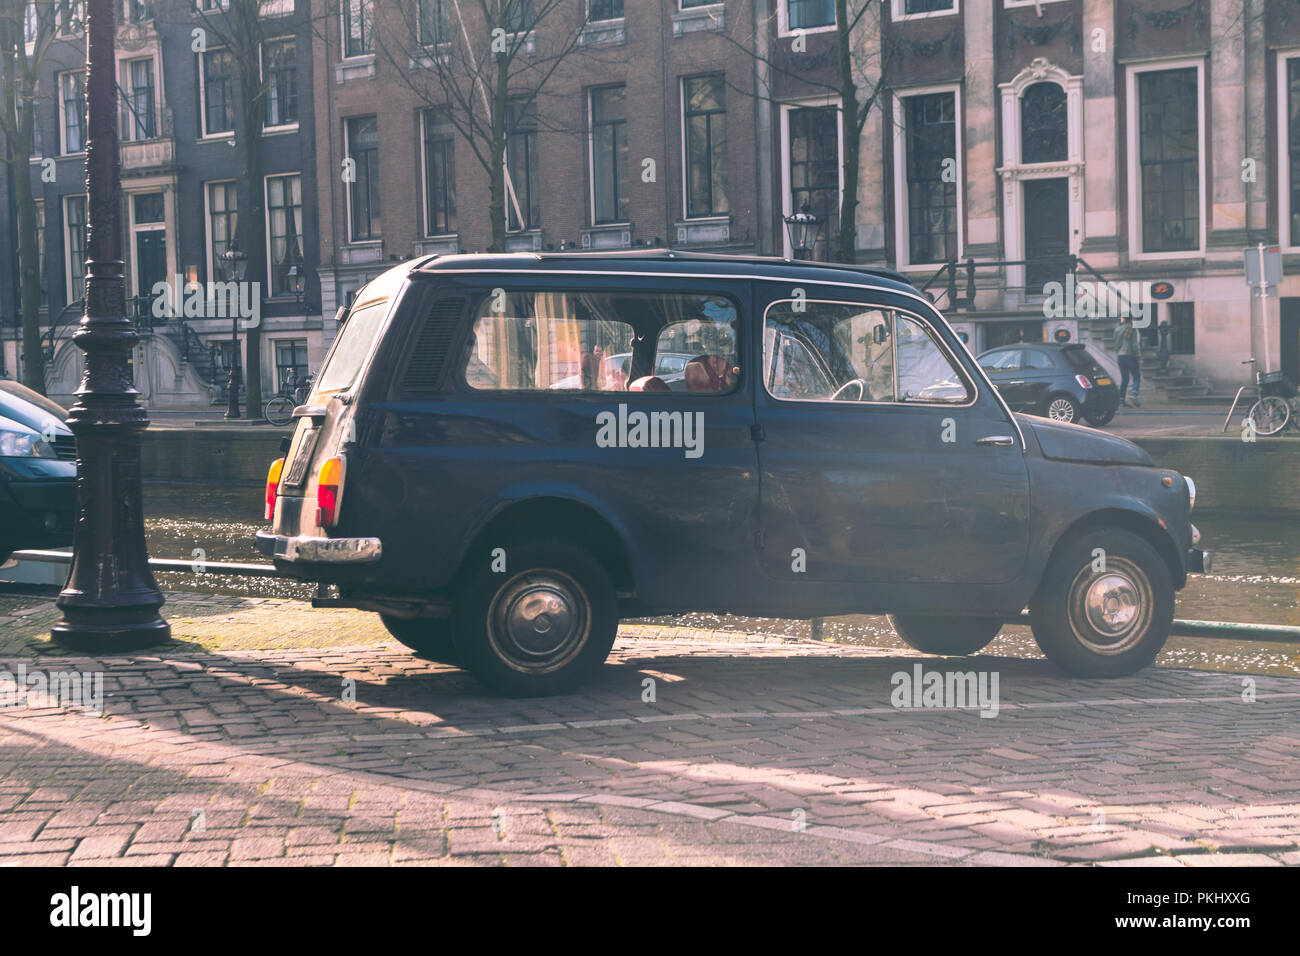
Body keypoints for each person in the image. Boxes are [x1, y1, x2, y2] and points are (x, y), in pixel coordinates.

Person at [1113, 316, 1141, 407]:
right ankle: (1134, 394)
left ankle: (1121, 401)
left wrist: (1118, 352)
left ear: (1124, 319)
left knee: (1125, 379)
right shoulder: (1132, 329)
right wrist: (1138, 356)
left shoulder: (1117, 329)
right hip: (1130, 356)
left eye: (1121, 317)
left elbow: (1116, 344)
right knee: (1136, 376)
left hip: (1121, 357)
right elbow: (1135, 344)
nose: (1120, 319)